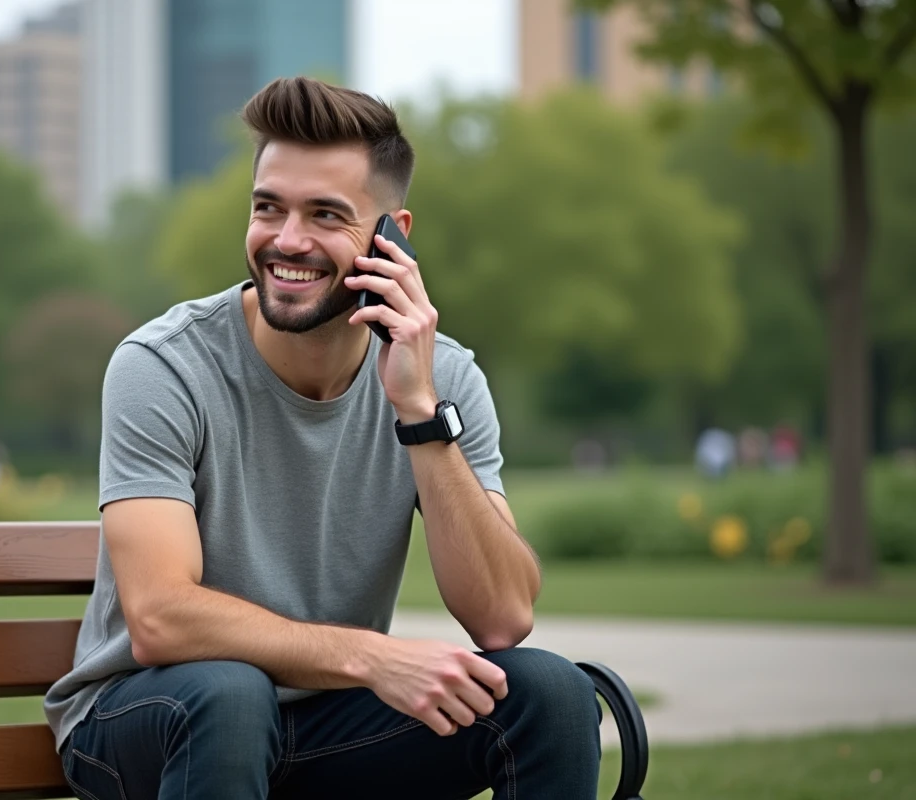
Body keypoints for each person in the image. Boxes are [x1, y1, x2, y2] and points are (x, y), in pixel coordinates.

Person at [44, 76, 600, 799]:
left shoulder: (442, 376)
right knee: (230, 696)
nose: (287, 240)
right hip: (142, 718)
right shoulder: (163, 365)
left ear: (392, 233)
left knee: (546, 694)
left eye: (325, 214)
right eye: (268, 207)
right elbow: (159, 620)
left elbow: (503, 616)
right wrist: (371, 658)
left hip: (321, 727)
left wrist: (418, 410)